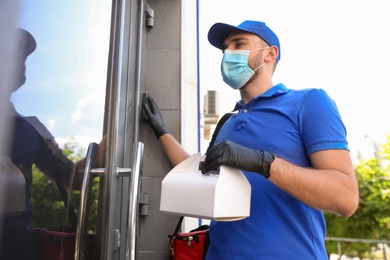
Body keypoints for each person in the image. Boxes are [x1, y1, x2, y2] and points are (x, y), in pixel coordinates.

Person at [143, 20, 359, 259]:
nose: (228, 53)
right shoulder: (227, 123)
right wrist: (161, 132)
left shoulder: (309, 102)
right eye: (226, 48)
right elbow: (194, 171)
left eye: (239, 44)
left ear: (270, 53)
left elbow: (346, 198)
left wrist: (263, 163)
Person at [0, 28, 102, 260]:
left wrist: (111, 139)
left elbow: (72, 178)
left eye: (23, 59)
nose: (21, 64)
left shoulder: (31, 129)